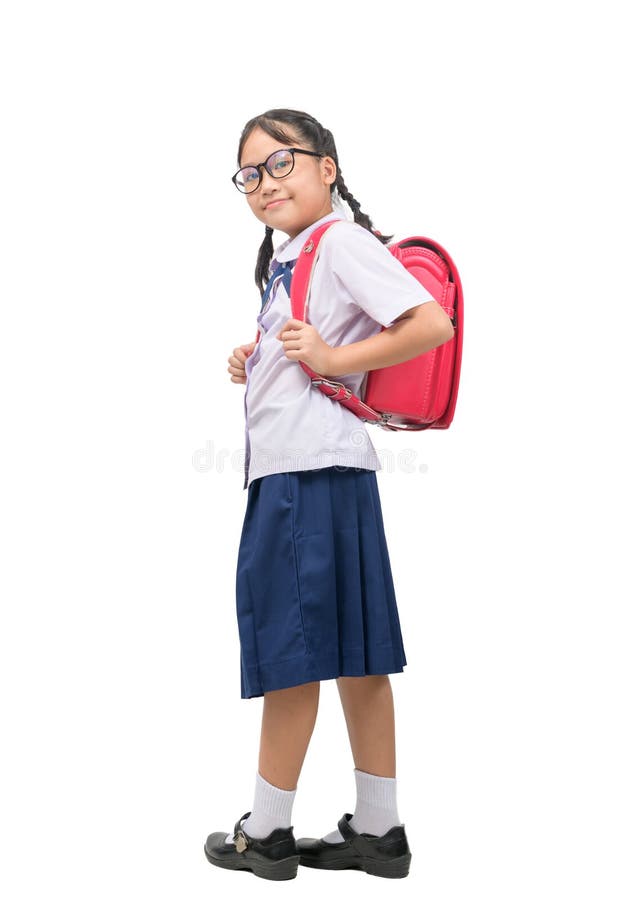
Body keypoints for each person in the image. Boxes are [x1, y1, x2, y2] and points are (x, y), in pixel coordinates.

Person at [204, 108, 455, 881]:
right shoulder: (297, 258)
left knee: (291, 656)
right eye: (250, 174)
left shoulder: (337, 242)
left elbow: (429, 322)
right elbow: (325, 352)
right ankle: (378, 831)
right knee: (356, 654)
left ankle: (267, 831)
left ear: (327, 168)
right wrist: (268, 359)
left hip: (302, 483)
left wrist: (332, 353)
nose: (265, 182)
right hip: (328, 475)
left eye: (282, 163)